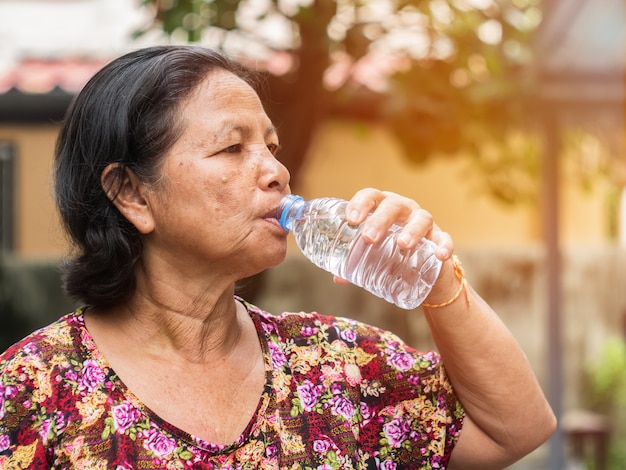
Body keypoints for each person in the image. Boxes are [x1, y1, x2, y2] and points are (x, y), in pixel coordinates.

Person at [0, 45, 555, 469]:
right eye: (231, 147)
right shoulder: (31, 393)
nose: (275, 170)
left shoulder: (338, 365)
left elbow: (516, 430)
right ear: (132, 194)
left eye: (271, 146)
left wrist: (434, 275)